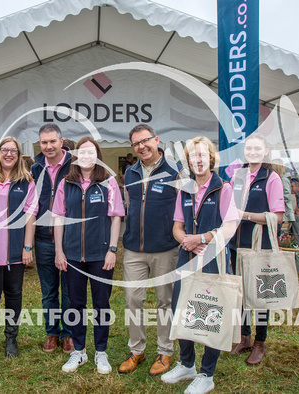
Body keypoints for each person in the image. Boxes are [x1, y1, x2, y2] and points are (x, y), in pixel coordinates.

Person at [161, 136, 238, 394]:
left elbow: (230, 226)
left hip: (213, 258)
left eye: (203, 154)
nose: (199, 159)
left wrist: (204, 238)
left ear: (211, 158)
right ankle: (187, 364)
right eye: (193, 156)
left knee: (208, 312)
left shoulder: (223, 188)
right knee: (180, 308)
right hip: (187, 256)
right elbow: (177, 227)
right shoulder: (185, 189)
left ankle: (207, 373)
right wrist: (187, 241)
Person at [52, 137, 125, 374]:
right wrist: (59, 251)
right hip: (72, 256)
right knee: (76, 304)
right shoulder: (66, 183)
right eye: (82, 152)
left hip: (100, 255)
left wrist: (112, 250)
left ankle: (101, 352)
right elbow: (58, 218)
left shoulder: (109, 182)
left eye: (91, 152)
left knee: (101, 304)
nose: (86, 156)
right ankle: (79, 351)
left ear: (97, 156)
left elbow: (116, 217)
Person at [118, 124, 180, 375]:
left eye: (145, 141)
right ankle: (137, 350)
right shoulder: (130, 172)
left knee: (165, 301)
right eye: (136, 143)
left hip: (165, 248)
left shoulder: (175, 171)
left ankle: (165, 352)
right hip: (134, 248)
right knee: (133, 300)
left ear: (156, 140)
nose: (141, 146)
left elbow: (183, 207)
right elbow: (128, 204)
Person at [228, 134, 284, 366]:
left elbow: (278, 217)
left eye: (257, 148)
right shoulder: (237, 175)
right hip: (236, 243)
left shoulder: (271, 178)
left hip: (260, 244)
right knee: (241, 293)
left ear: (266, 151)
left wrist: (246, 216)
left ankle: (260, 342)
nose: (252, 151)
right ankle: (245, 337)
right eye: (248, 148)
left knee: (261, 295)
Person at [0, 137, 38, 358]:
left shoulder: (26, 182)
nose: (8, 154)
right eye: (4, 150)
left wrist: (27, 246)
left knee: (14, 294)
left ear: (19, 155)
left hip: (15, 250)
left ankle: (11, 337)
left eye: (13, 150)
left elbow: (31, 215)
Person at [31, 124, 74, 354]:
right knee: (48, 290)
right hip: (42, 238)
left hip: (68, 238)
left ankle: (68, 334)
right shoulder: (34, 168)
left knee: (69, 291)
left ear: (61, 141)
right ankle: (52, 332)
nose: (48, 146)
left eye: (52, 141)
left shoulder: (75, 165)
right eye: (44, 142)